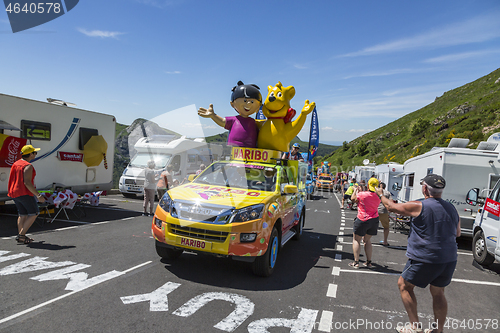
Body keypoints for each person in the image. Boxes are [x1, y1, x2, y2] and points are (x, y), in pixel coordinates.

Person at [376, 174, 460, 333]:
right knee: (438, 292)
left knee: (404, 285)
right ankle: (438, 330)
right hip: (449, 258)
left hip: (425, 257)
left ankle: (414, 326)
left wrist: (380, 193)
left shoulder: (419, 205)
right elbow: (457, 233)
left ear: (425, 188)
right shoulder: (451, 208)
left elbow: (391, 207)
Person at [198, 81, 262, 148]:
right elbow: (223, 122)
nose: (248, 103)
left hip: (251, 152)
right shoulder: (234, 120)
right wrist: (213, 115)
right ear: (232, 104)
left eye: (252, 101)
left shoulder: (254, 123)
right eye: (245, 101)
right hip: (234, 150)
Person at [7, 144, 46, 244]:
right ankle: (21, 235)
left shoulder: (16, 163)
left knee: (22, 214)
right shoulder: (28, 166)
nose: (35, 154)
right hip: (24, 192)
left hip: (14, 192)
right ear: (31, 154)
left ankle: (21, 237)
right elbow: (27, 182)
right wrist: (38, 195)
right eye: (35, 152)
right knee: (34, 213)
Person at [349, 177, 380, 268]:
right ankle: (369, 262)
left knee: (356, 240)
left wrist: (355, 190)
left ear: (368, 185)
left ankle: (356, 262)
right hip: (374, 219)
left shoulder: (362, 195)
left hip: (363, 219)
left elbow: (353, 199)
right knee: (367, 240)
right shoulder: (379, 196)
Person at [378, 182, 392, 246]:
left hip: (374, 210)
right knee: (386, 227)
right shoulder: (387, 193)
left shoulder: (375, 192)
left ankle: (364, 239)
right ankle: (385, 241)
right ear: (385, 187)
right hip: (383, 211)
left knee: (368, 225)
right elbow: (390, 202)